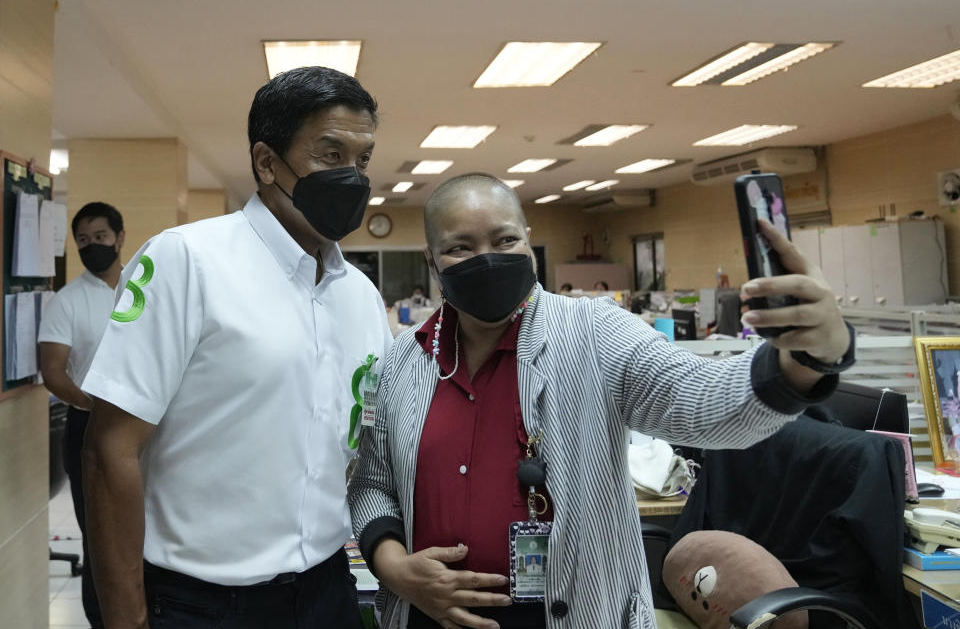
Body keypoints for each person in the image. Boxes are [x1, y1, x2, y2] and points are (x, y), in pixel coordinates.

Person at [348, 173, 854, 629]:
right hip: (429, 618)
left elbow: (702, 402)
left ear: (528, 242)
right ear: (431, 261)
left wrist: (806, 358)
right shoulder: (401, 364)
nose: (488, 259)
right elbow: (372, 482)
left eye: (505, 239)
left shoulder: (594, 334)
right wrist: (397, 569)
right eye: (461, 247)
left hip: (571, 614)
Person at [81, 67, 392, 629]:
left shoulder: (362, 297)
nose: (352, 177)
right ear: (267, 162)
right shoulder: (186, 261)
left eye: (363, 160)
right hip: (202, 603)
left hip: (328, 591)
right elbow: (109, 451)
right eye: (330, 154)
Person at [38, 201, 126, 629]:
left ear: (120, 238)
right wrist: (94, 403)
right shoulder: (66, 302)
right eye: (84, 241)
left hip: (144, 429)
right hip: (87, 427)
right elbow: (53, 371)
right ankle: (101, 619)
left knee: (146, 529)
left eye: (101, 238)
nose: (93, 247)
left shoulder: (142, 292)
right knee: (99, 534)